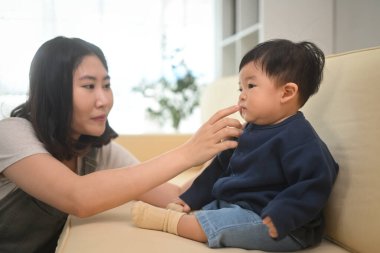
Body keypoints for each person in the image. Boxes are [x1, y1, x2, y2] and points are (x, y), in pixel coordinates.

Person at [0, 36, 243, 252]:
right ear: (54, 90)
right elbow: (77, 196)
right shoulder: (10, 133)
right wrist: (188, 152)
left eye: (106, 85)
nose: (104, 99)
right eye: (88, 86)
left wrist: (224, 155)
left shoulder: (97, 150)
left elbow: (177, 195)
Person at [131, 39, 339, 252]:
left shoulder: (300, 138)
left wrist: (282, 213)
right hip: (239, 205)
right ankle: (190, 214)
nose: (241, 95)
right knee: (213, 209)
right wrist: (191, 198)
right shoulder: (247, 130)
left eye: (251, 86)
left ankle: (169, 223)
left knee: (214, 225)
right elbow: (218, 169)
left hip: (278, 222)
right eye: (241, 87)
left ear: (286, 92)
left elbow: (315, 182)